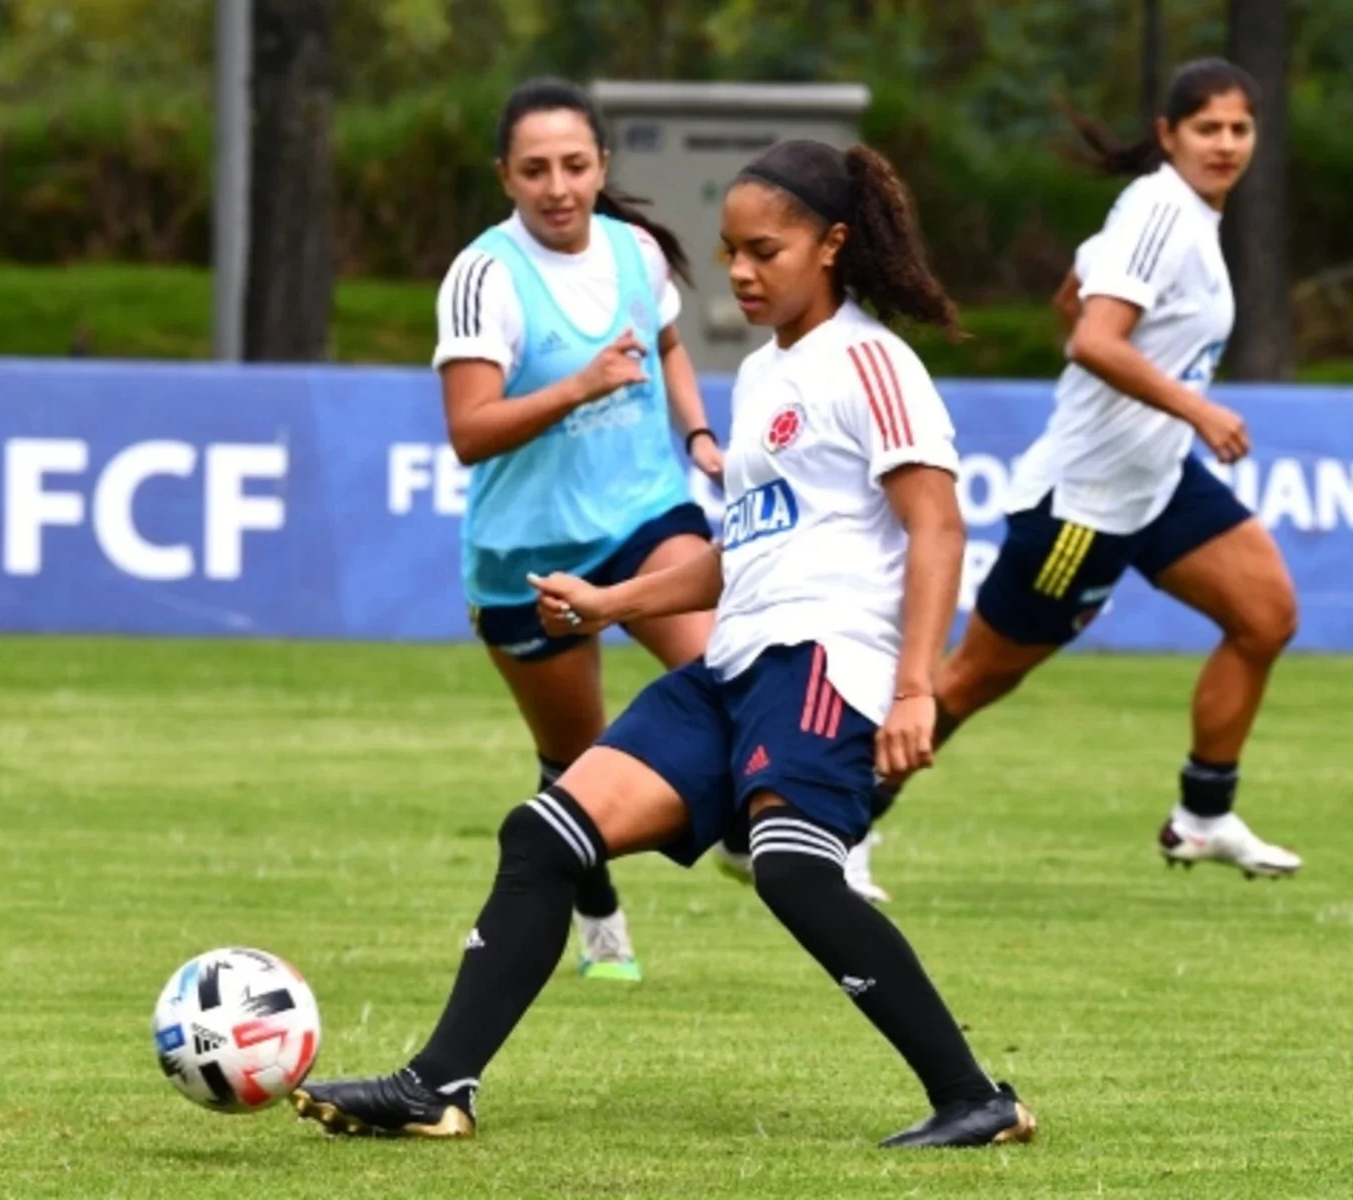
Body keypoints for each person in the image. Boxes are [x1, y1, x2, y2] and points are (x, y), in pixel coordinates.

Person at [292, 138, 1035, 1150]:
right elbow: (740, 547)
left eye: (763, 250)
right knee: (542, 835)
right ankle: (438, 1086)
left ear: (832, 245)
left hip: (824, 662)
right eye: (729, 251)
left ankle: (973, 1095)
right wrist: (614, 602)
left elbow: (937, 524)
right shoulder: (767, 375)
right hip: (733, 665)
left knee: (791, 866)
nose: (739, 271)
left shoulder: (870, 361)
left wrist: (915, 689)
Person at [871, 58, 1302, 884]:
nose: (1224, 144)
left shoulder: (1179, 215)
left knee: (1266, 616)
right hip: (1084, 503)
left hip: (1158, 479)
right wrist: (1198, 408)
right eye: (1206, 128)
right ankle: (831, 826)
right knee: (970, 681)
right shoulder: (1162, 213)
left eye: (1239, 128)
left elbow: (1074, 296)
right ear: (1168, 135)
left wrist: (1165, 417)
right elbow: (1092, 339)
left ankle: (1204, 814)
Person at [432, 78, 724, 981]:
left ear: (602, 165)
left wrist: (700, 435)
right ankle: (595, 902)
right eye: (535, 170)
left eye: (573, 165)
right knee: (574, 756)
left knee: (732, 673)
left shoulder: (638, 250)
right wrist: (578, 387)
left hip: (645, 515)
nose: (557, 187)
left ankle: (774, 834)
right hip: (530, 557)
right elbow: (470, 433)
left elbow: (667, 345)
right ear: (505, 179)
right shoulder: (484, 277)